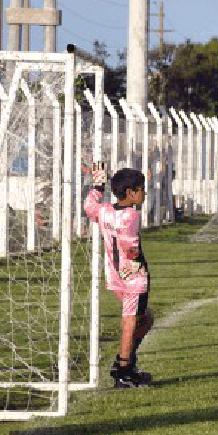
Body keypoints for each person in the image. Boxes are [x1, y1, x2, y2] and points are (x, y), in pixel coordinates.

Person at [84, 164, 155, 388]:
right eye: (141, 189)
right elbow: (130, 246)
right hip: (132, 278)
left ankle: (127, 362)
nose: (144, 192)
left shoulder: (105, 210)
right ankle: (123, 369)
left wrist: (97, 185)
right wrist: (134, 263)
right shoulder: (131, 216)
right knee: (131, 322)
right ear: (130, 193)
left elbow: (89, 207)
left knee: (145, 318)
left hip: (114, 277)